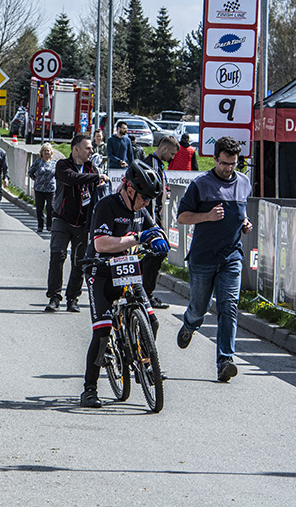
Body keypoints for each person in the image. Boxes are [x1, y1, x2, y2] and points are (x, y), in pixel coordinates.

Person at [79, 160, 170, 408]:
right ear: (129, 189)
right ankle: (89, 389)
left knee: (152, 320)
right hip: (102, 270)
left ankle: (145, 361)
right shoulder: (106, 206)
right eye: (144, 197)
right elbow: (101, 244)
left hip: (128, 270)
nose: (147, 203)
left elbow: (156, 230)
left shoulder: (141, 208)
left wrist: (158, 239)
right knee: (102, 331)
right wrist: (137, 238)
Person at [176, 136, 253, 383]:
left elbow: (241, 210)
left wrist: (244, 222)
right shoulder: (200, 184)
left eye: (233, 163)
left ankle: (225, 361)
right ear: (215, 158)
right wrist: (207, 216)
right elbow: (182, 217)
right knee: (200, 307)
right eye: (224, 163)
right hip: (203, 257)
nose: (229, 168)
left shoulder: (244, 182)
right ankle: (189, 324)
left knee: (228, 307)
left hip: (231, 256)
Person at [45, 134, 110, 313]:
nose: (91, 151)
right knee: (57, 256)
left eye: (91, 148)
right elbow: (72, 178)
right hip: (62, 220)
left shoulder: (92, 169)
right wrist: (95, 178)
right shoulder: (63, 165)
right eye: (87, 148)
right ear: (76, 149)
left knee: (79, 262)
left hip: (83, 223)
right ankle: (54, 297)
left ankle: (72, 298)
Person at [140, 135, 180, 309]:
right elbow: (154, 197)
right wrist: (155, 223)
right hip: (151, 218)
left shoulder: (156, 164)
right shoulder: (153, 164)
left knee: (152, 256)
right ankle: (146, 295)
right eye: (171, 154)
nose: (172, 158)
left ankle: (142, 292)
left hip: (152, 217)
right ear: (164, 149)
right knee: (155, 255)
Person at [27, 143, 56, 232]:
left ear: (51, 152)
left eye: (48, 150)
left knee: (50, 207)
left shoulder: (54, 163)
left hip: (50, 189)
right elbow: (30, 172)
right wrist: (34, 178)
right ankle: (40, 225)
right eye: (45, 150)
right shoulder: (38, 162)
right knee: (40, 208)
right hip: (39, 188)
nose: (47, 152)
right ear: (41, 152)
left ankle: (49, 225)